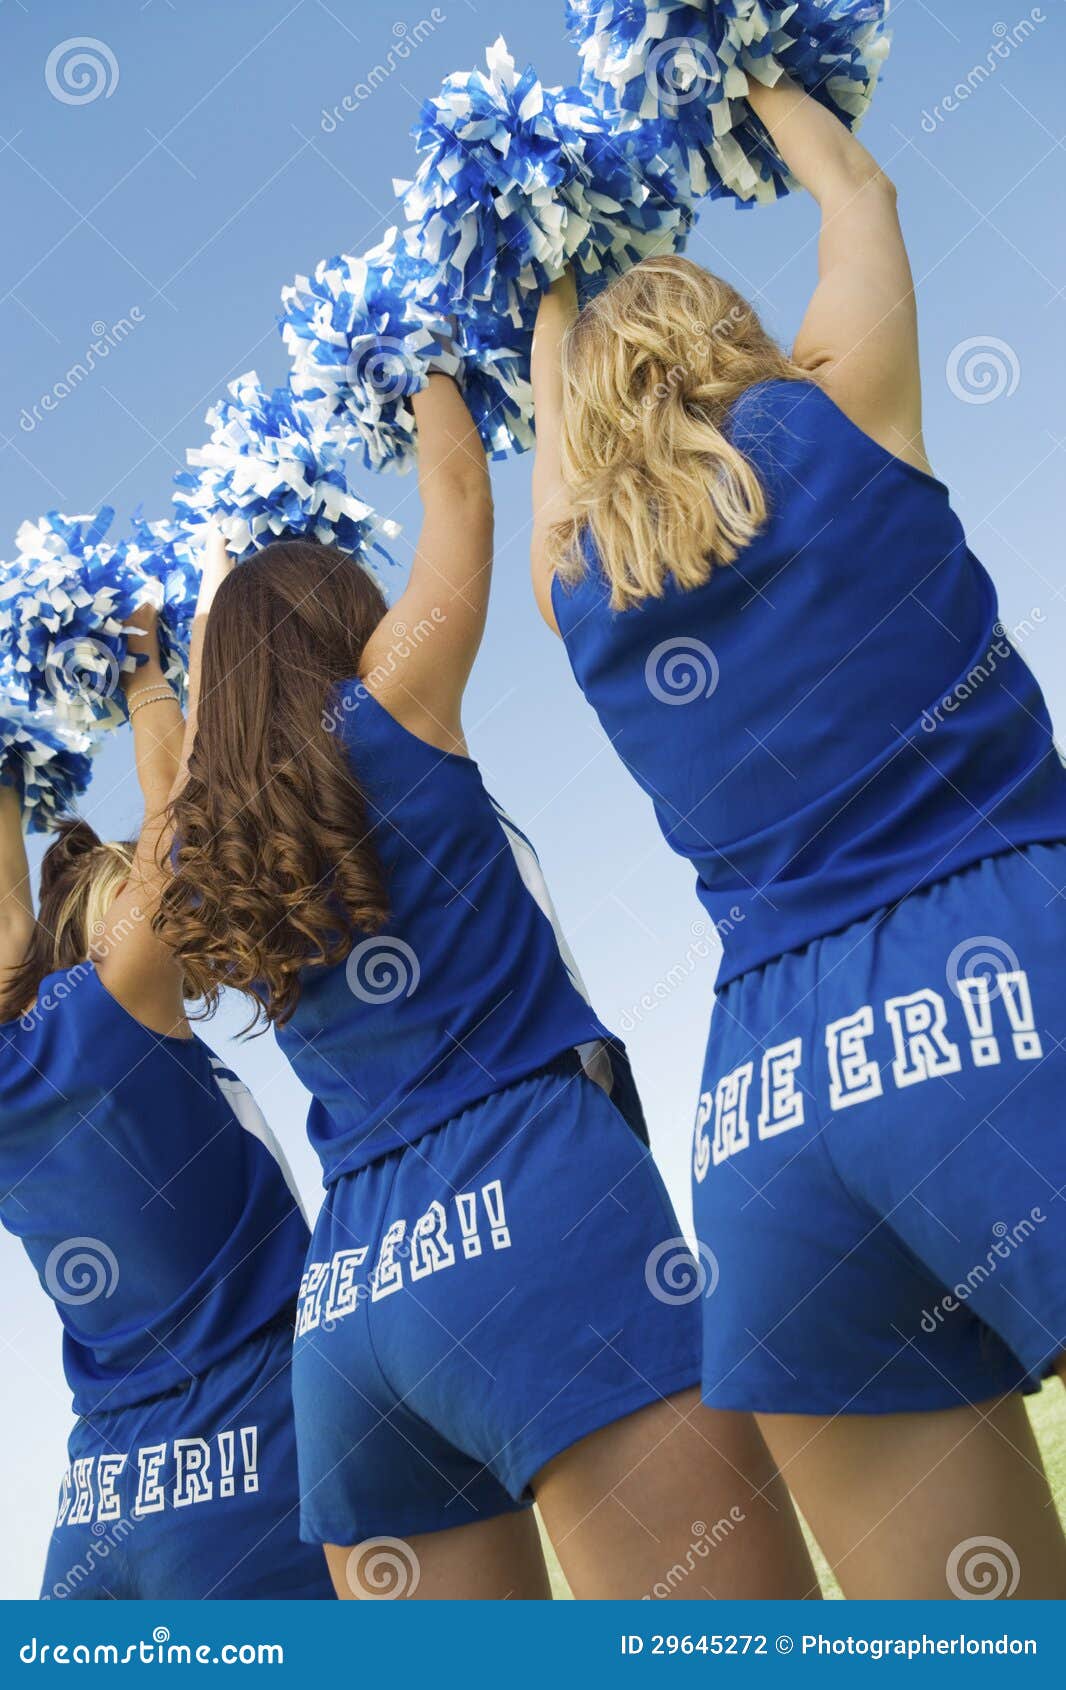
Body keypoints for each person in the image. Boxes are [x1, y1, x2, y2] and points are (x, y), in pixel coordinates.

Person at [530, 74, 1066, 1599]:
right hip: (1007, 979)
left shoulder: (574, 581)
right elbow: (859, 198)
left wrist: (540, 269)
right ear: (738, 339)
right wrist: (746, 57)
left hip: (770, 1113)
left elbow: (565, 456)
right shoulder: (836, 410)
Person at [155, 371, 816, 1601]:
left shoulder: (200, 840)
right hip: (532, 1209)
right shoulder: (394, 704)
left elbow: (197, 745)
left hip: (352, 1312)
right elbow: (458, 482)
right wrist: (412, 354)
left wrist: (204, 618)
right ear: (346, 623)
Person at [0, 545, 332, 1600]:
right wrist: (151, 672)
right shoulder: (108, 1016)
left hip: (99, 1491)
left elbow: (9, 928)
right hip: (248, 1455)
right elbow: (180, 805)